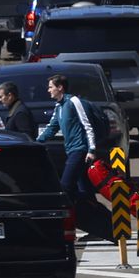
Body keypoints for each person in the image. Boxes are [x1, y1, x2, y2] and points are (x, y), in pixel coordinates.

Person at [35, 74, 98, 205]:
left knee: (65, 185)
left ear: (60, 87)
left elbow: (87, 125)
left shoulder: (74, 102)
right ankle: (96, 213)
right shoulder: (58, 106)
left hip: (80, 150)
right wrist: (35, 142)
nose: (48, 90)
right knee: (84, 188)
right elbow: (51, 128)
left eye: (51, 87)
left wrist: (91, 149)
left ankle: (73, 213)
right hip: (70, 150)